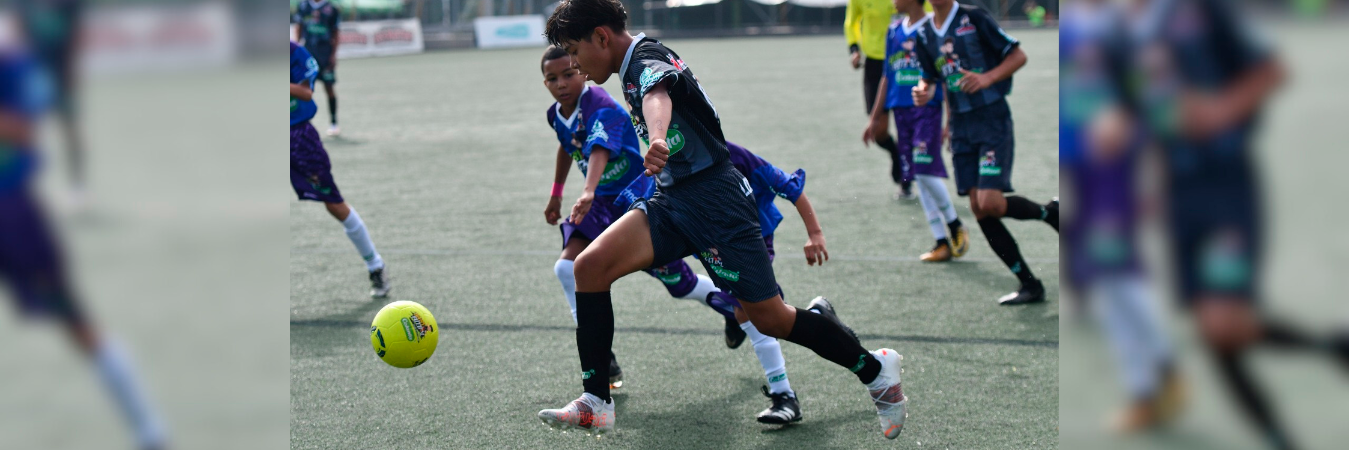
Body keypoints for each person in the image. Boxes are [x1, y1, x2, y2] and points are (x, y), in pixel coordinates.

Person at [537, 0, 908, 438]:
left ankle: (873, 368)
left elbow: (658, 95)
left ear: (601, 37)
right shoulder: (632, 61)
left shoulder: (643, 61)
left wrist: (657, 138)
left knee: (770, 318)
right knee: (589, 267)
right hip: (673, 199)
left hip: (717, 204)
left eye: (575, 51)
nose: (575, 64)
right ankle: (597, 401)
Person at [539, 46, 804, 423]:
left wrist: (587, 189)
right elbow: (572, 146)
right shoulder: (564, 112)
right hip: (620, 205)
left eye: (570, 71)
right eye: (553, 78)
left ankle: (774, 367)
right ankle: (599, 372)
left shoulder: (618, 101)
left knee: (710, 293)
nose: (564, 81)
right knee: (572, 268)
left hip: (646, 201)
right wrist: (559, 192)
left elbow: (602, 145)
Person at [0, 40, 166, 450]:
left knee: (76, 323)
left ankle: (149, 432)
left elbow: (23, 128)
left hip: (12, 215)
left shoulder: (12, 64)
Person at [911, 0, 1059, 305]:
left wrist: (987, 77)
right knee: (979, 209)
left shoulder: (973, 17)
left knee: (989, 201)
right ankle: (1030, 282)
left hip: (991, 120)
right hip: (961, 129)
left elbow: (1018, 55)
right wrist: (922, 88)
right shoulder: (924, 32)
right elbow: (929, 75)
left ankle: (1051, 214)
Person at [864, 0, 970, 262]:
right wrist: (875, 116)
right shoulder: (894, 30)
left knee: (923, 168)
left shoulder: (932, 27)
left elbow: (944, 76)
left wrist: (949, 118)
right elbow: (887, 75)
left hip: (926, 110)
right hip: (901, 110)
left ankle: (956, 225)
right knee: (918, 175)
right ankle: (941, 241)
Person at [291, 42, 390, 298]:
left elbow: (305, 93)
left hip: (299, 138)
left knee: (334, 203)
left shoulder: (294, 53)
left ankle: (375, 265)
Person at [845, 0, 914, 199]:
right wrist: (854, 49)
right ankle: (896, 154)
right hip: (875, 63)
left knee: (908, 124)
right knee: (878, 130)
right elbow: (851, 22)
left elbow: (927, 13)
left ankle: (906, 180)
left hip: (906, 59)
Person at [293, 0, 342, 136]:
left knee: (329, 88)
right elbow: (299, 27)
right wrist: (297, 50)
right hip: (307, 54)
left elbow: (336, 33)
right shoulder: (303, 6)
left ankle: (334, 122)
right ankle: (302, 123)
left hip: (325, 54)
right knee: (302, 90)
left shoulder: (331, 8)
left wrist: (333, 55)